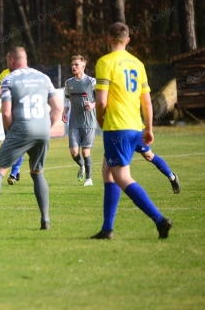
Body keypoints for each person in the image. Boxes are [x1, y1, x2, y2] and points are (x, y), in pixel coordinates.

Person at [90, 23, 173, 240]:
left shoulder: (105, 62)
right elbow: (147, 101)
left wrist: (101, 120)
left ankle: (159, 220)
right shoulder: (138, 63)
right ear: (127, 40)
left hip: (117, 127)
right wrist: (149, 128)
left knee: (123, 177)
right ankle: (107, 228)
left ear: (109, 39)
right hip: (135, 126)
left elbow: (101, 101)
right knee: (108, 170)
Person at [0, 47, 64, 231]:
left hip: (21, 127)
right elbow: (57, 108)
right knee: (37, 172)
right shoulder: (43, 77)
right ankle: (46, 220)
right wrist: (45, 127)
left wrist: (13, 132)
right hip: (43, 128)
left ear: (11, 60)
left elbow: (7, 112)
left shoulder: (9, 79)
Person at [62, 55, 96, 186]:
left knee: (85, 151)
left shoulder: (92, 82)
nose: (73, 67)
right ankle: (81, 165)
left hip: (89, 122)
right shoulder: (68, 83)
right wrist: (64, 112)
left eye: (76, 65)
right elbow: (67, 100)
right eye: (72, 65)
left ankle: (88, 179)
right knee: (74, 152)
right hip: (74, 122)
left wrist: (92, 105)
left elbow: (100, 99)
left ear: (83, 66)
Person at [0, 67, 25, 185]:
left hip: (23, 113)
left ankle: (14, 172)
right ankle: (17, 168)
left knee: (19, 143)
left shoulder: (28, 75)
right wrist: (9, 95)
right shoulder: (5, 73)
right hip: (7, 114)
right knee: (11, 144)